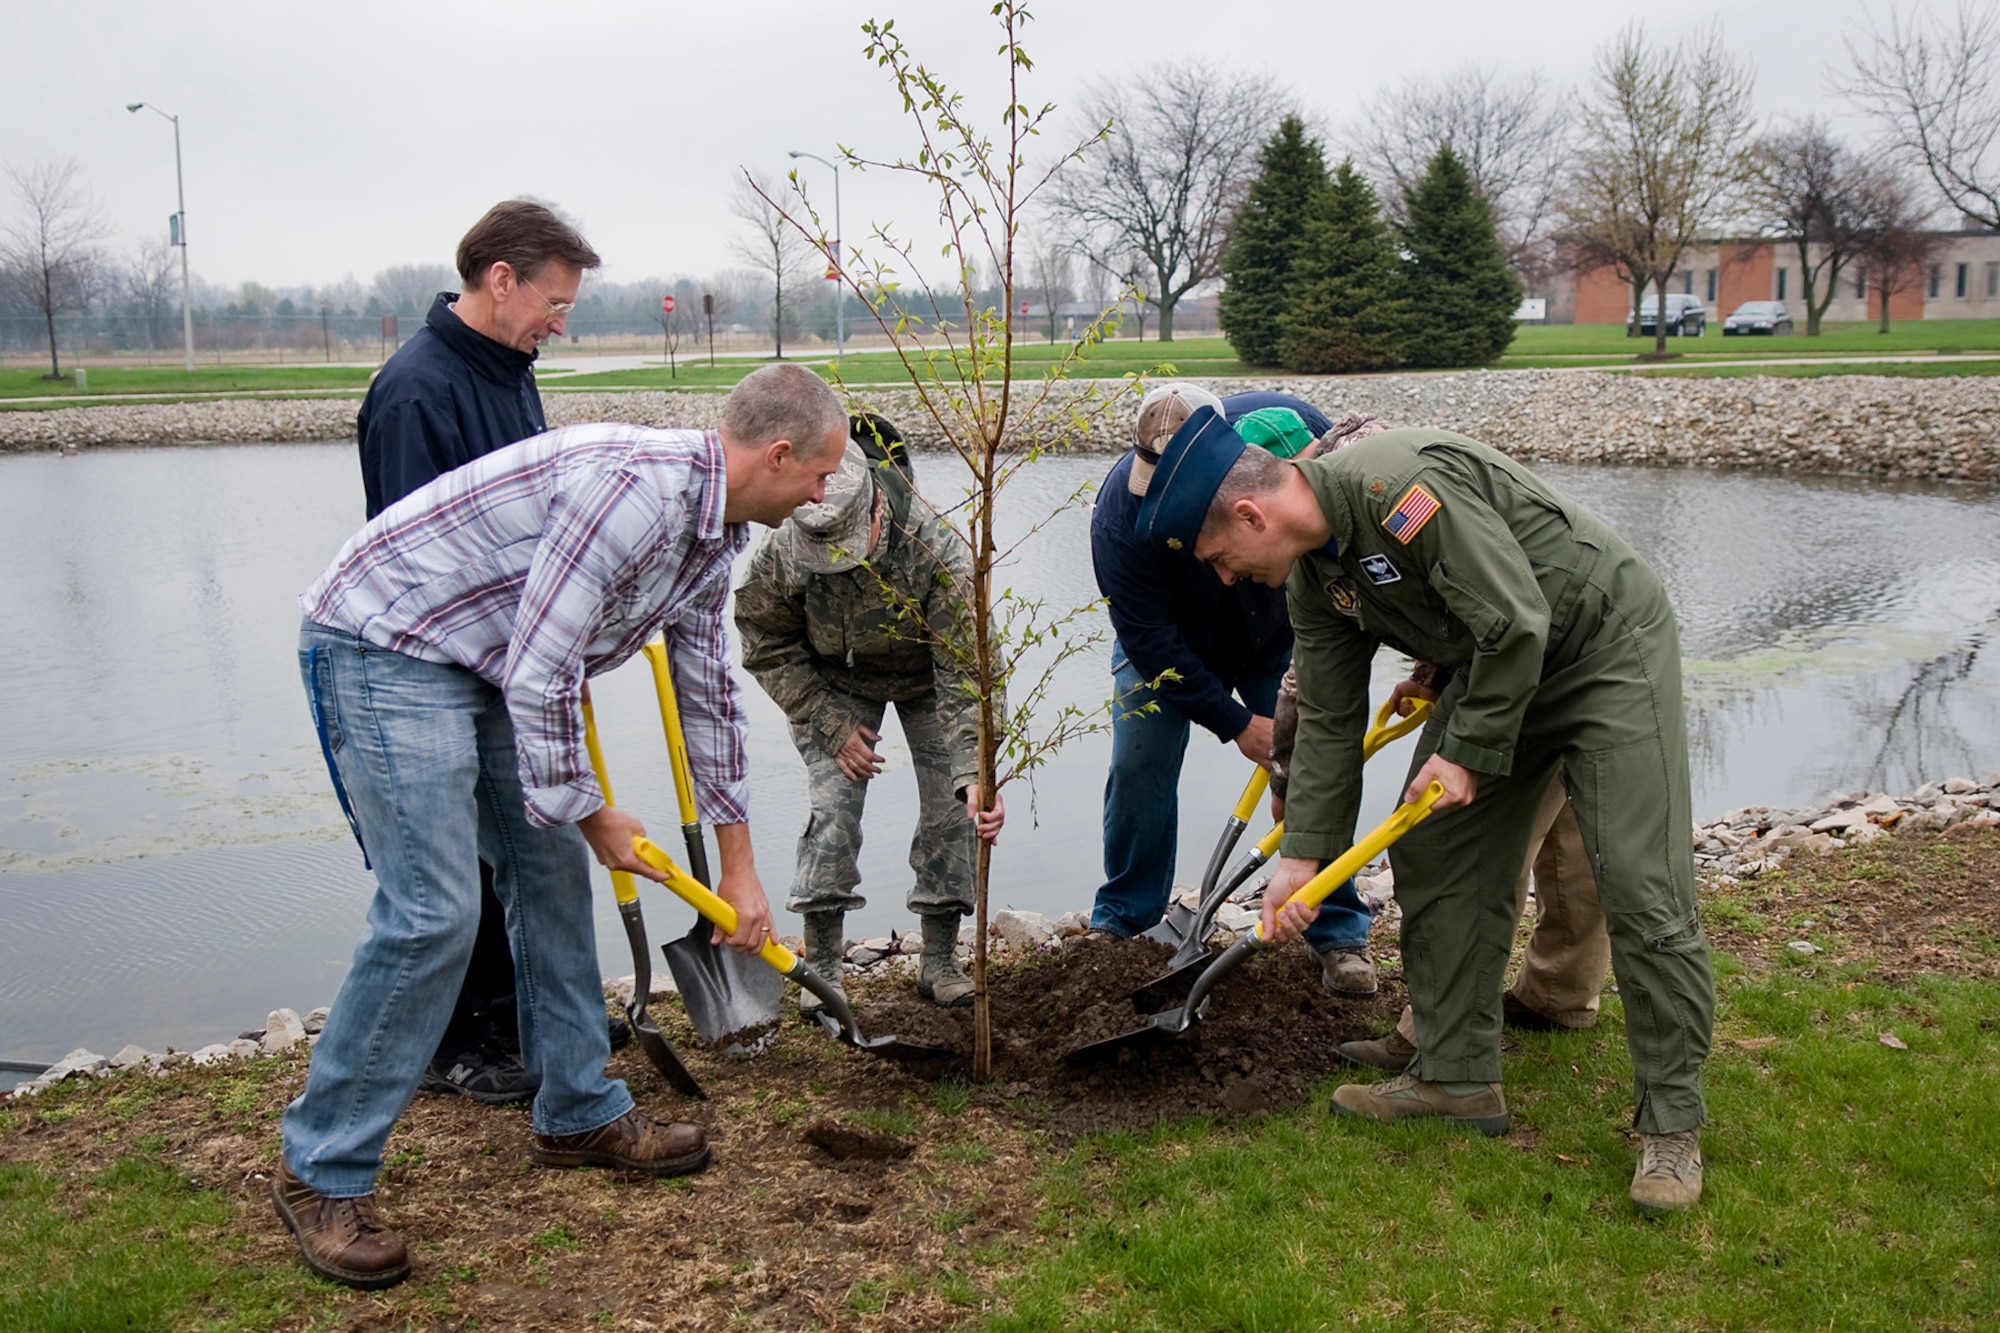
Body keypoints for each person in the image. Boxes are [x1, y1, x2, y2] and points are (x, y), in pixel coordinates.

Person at [273, 365, 850, 1289]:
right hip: (387, 644)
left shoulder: (716, 534)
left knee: (547, 879)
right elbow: (545, 669)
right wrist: (589, 809)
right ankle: (320, 1169)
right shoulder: (632, 493)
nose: (826, 491)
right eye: (821, 472)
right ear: (777, 455)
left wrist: (738, 868)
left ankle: (577, 1106)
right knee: (435, 909)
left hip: (490, 657)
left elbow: (709, 698)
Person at [1136, 407, 1713, 1215]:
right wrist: (1302, 860)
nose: (1225, 578)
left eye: (1220, 558)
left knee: (1638, 880)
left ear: (1251, 513)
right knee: (1439, 854)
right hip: (1498, 667)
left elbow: (1515, 619)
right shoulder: (1312, 579)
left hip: (1600, 652)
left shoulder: (1401, 487)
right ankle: (1455, 1074)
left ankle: (1672, 1123)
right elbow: (1332, 723)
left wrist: (1468, 748)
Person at [351, 199, 603, 1107]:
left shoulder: (509, 370)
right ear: (502, 280)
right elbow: (415, 556)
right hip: (427, 666)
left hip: (507, 656)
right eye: (555, 302)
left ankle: (524, 1020)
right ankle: (452, 1040)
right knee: (446, 866)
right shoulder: (418, 391)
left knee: (532, 847)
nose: (559, 322)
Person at [1090, 383, 1377, 996]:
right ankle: (1124, 925)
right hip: (1170, 648)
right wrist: (1237, 722)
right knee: (1139, 762)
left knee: (1313, 760)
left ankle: (1340, 930)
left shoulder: (1289, 428)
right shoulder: (1120, 511)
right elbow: (1145, 636)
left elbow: (1335, 531)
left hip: (1281, 631)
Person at [734, 420, 1005, 1014]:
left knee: (952, 809)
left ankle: (939, 959)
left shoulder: (939, 552)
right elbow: (762, 636)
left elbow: (968, 672)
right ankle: (824, 961)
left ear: (877, 512)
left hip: (927, 679)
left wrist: (973, 770)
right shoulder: (785, 548)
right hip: (832, 681)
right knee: (834, 809)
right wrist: (827, 721)